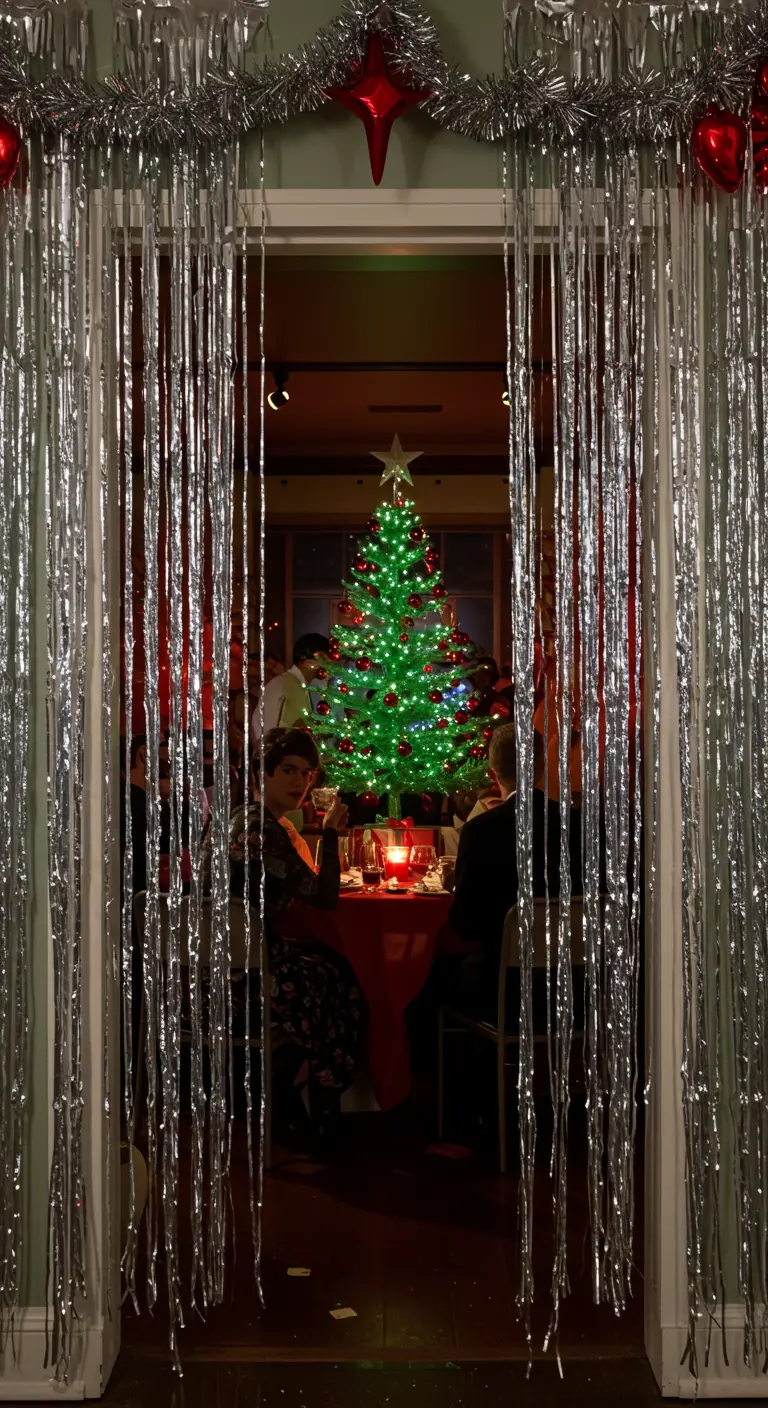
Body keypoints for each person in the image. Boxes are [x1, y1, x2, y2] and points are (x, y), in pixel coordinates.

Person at [231, 728, 362, 1128]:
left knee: (325, 963)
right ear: (263, 773)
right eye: (288, 770)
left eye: (307, 774)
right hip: (246, 978)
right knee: (340, 975)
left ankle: (291, 1088)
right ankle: (321, 1098)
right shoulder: (261, 829)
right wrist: (330, 833)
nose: (299, 783)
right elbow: (324, 896)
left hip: (209, 970)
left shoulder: (239, 817)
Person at [437, 723, 583, 1019]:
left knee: (435, 975)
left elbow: (465, 924)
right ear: (541, 766)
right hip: (574, 981)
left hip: (501, 984)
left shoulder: (480, 831)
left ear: (492, 774)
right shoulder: (578, 825)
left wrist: (456, 884)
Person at [250, 635, 329, 748]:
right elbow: (267, 730)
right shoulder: (283, 684)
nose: (329, 666)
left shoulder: (299, 686)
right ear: (308, 661)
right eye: (325, 659)